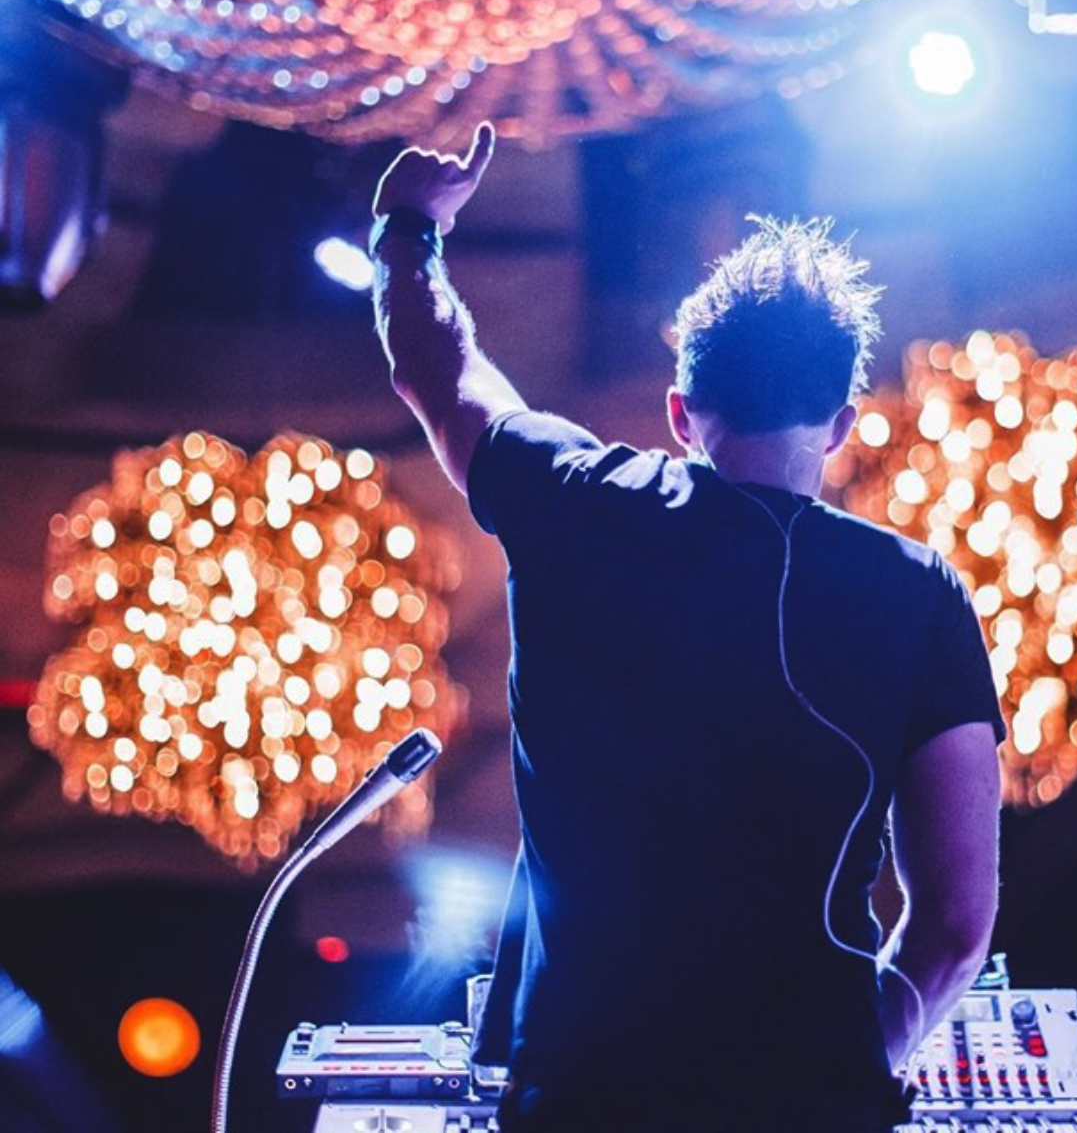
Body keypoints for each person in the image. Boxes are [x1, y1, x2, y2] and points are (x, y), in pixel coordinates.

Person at [370, 124, 1004, 1133]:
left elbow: (438, 371)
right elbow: (956, 926)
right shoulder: (917, 592)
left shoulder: (575, 498)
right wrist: (835, 1069)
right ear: (841, 422)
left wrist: (407, 228)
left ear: (678, 410)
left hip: (584, 1098)